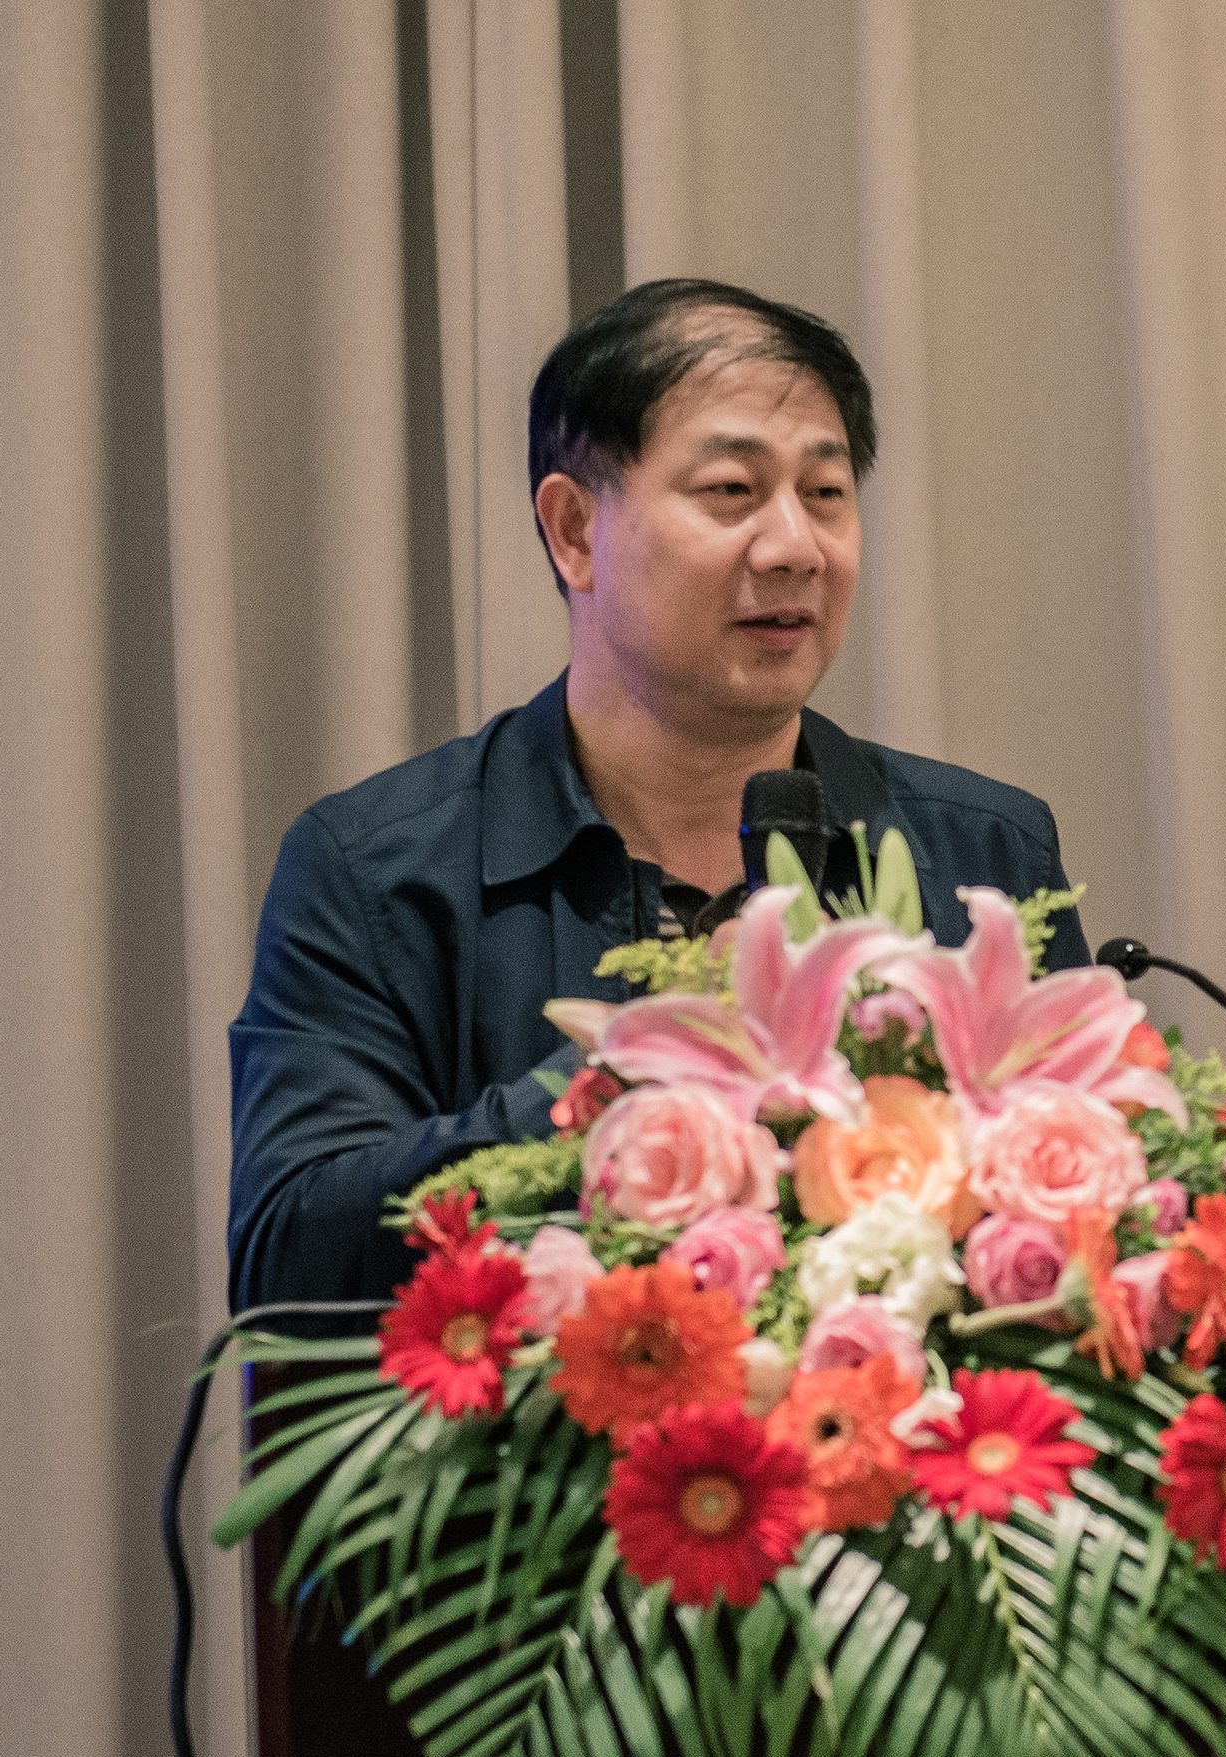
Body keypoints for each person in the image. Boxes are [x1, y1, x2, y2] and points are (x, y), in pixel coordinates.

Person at [228, 280, 1089, 1310]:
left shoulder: (983, 853)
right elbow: (291, 1256)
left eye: (825, 493)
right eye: (731, 490)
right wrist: (631, 1070)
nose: (795, 547)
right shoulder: (377, 869)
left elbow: (1092, 1231)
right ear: (574, 531)